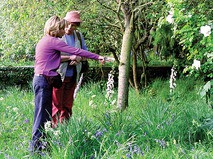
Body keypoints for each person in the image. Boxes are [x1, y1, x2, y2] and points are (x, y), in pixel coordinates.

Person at [30, 15, 106, 153]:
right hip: (43, 81)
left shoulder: (45, 41)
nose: (64, 30)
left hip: (41, 80)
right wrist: (97, 56)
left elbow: (50, 60)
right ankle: (35, 150)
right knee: (42, 116)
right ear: (56, 28)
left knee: (45, 115)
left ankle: (43, 146)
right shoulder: (53, 41)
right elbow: (76, 51)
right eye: (62, 27)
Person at [52, 11, 88, 127]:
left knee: (67, 105)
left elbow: (85, 54)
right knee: (56, 104)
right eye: (68, 24)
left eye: (74, 25)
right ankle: (54, 129)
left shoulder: (78, 36)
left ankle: (65, 129)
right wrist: (69, 58)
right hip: (58, 76)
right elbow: (51, 57)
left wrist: (78, 58)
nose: (70, 27)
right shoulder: (57, 34)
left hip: (72, 75)